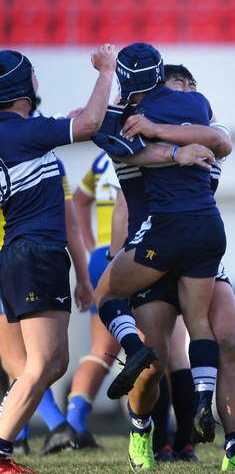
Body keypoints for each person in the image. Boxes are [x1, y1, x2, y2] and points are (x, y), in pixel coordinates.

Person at [114, 61, 235, 471]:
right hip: (152, 252)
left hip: (200, 251)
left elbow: (220, 141)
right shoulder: (131, 133)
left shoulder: (210, 130)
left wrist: (165, 135)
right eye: (176, 84)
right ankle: (141, 429)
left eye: (192, 85)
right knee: (154, 360)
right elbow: (124, 193)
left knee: (231, 341)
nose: (186, 91)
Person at [0, 44, 117, 473]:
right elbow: (89, 122)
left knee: (51, 363)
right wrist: (106, 71)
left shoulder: (18, 134)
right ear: (20, 87)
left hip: (25, 254)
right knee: (40, 365)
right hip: (34, 253)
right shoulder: (19, 130)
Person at [63, 150, 123, 449]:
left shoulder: (102, 158)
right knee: (158, 343)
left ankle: (73, 425)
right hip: (132, 254)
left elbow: (79, 200)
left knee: (101, 349)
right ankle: (165, 437)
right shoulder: (148, 145)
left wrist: (92, 246)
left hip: (101, 257)